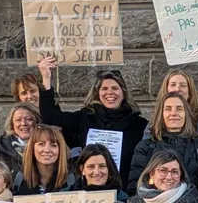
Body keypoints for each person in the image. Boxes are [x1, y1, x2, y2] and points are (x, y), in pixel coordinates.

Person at [36, 58, 148, 186]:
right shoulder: (86, 117)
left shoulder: (139, 124)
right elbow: (50, 119)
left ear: (123, 93)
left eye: (115, 88)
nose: (109, 92)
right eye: (104, 88)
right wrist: (46, 78)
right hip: (90, 190)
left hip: (125, 190)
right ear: (97, 93)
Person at [128, 92, 198, 197]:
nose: (174, 113)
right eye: (168, 109)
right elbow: (135, 187)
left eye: (179, 109)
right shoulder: (145, 147)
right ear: (161, 114)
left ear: (186, 114)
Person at [161, 69, 198, 147]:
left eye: (183, 85)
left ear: (190, 92)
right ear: (166, 90)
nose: (177, 89)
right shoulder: (156, 122)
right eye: (173, 85)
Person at [0, 103, 39, 174]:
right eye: (18, 120)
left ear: (37, 121)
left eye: (29, 119)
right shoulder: (0, 147)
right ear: (12, 124)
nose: (23, 123)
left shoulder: (47, 146)